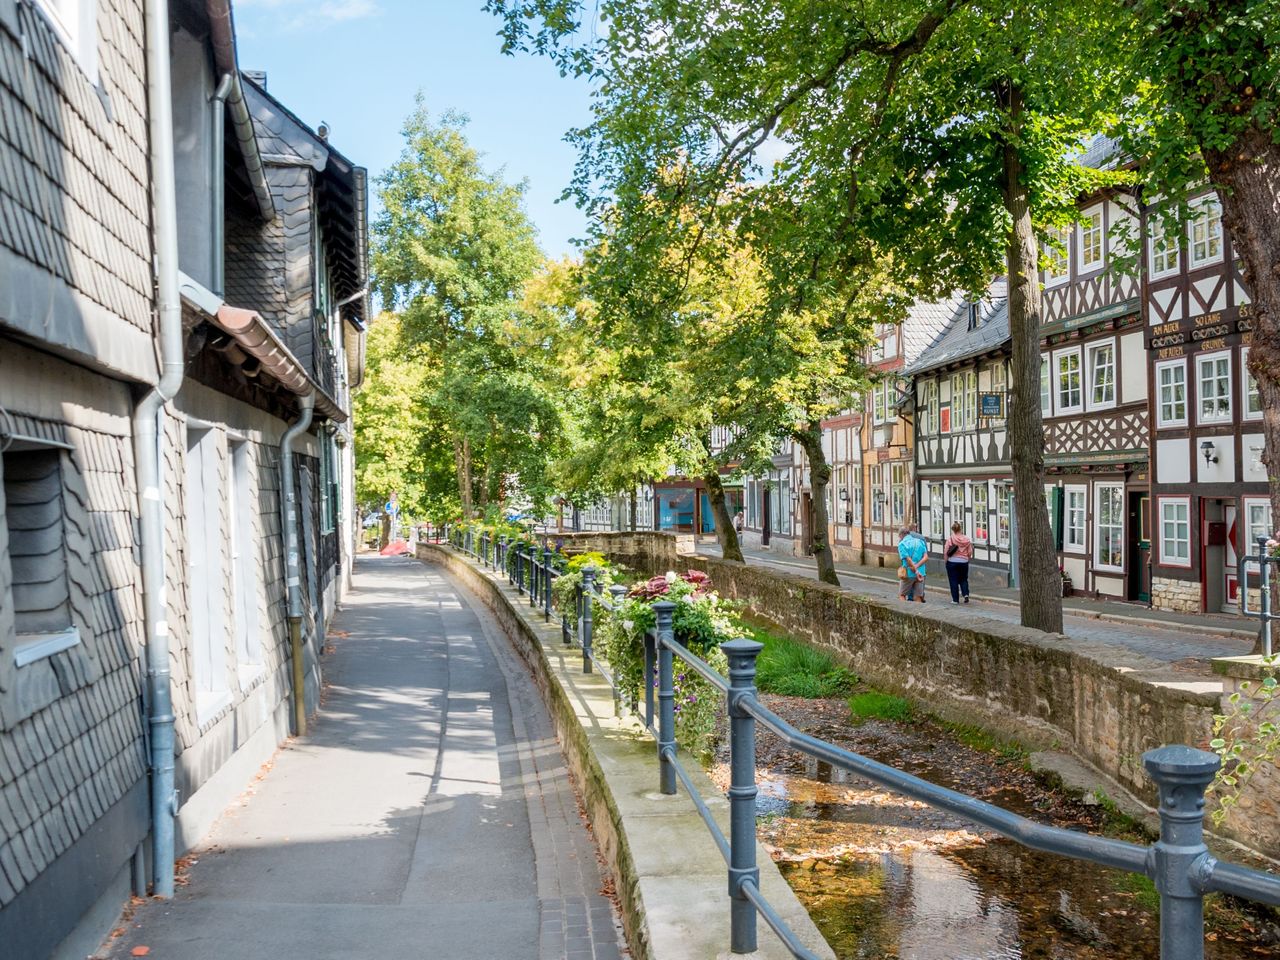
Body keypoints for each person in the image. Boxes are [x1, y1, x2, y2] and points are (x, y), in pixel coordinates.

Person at [943, 521, 973, 604]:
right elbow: (970, 551)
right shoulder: (967, 540)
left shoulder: (951, 539)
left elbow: (946, 551)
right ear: (960, 529)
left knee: (953, 580)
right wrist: (967, 559)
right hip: (964, 562)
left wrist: (946, 561)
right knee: (963, 579)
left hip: (952, 562)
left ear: (953, 530)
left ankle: (955, 600)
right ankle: (966, 594)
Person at [897, 525, 927, 603]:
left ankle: (904, 612)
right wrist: (917, 567)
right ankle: (918, 613)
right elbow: (925, 557)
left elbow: (908, 560)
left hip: (908, 573)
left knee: (902, 595)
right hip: (921, 573)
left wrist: (915, 570)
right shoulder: (920, 541)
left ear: (901, 535)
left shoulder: (902, 544)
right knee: (918, 597)